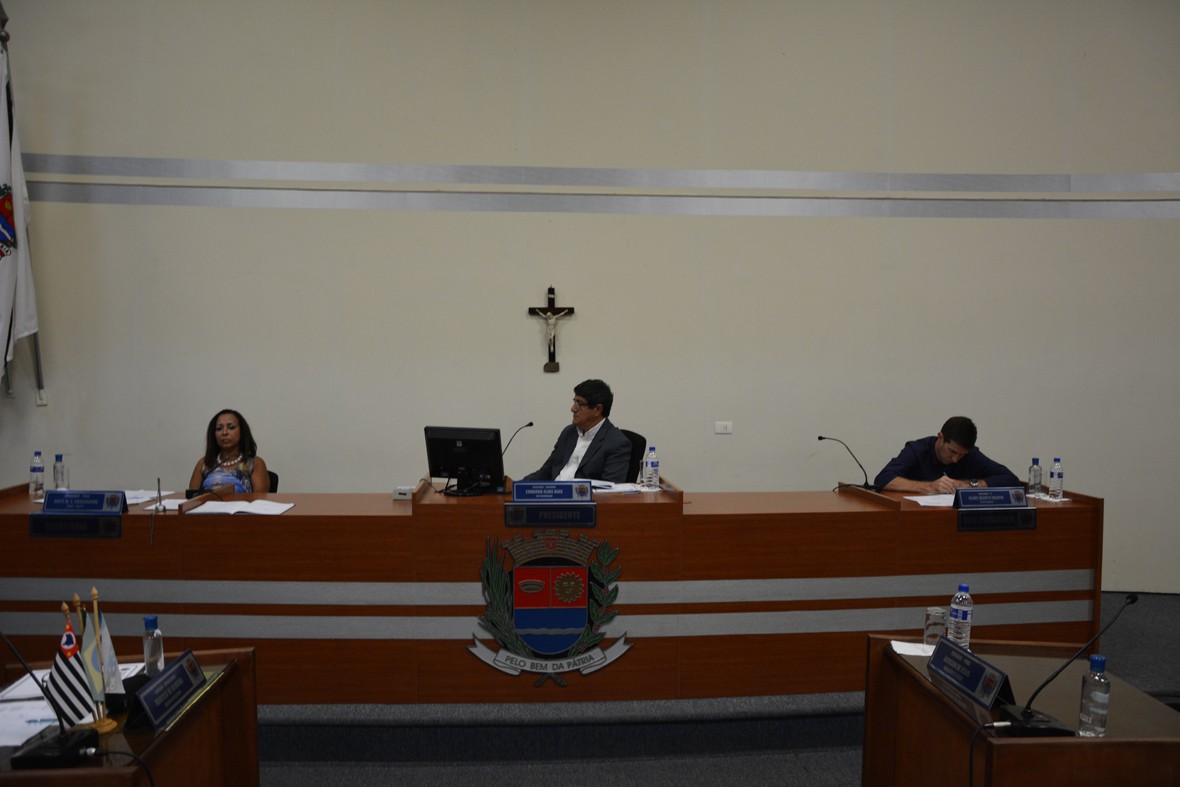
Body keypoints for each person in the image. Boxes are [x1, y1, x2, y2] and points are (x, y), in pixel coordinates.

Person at [522, 379, 633, 483]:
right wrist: (517, 486)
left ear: (597, 409)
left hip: (582, 497)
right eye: (574, 402)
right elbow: (546, 472)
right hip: (554, 493)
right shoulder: (568, 433)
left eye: (579, 404)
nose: (573, 409)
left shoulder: (617, 443)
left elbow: (609, 490)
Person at [873, 416, 1019, 493]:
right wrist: (929, 487)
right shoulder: (917, 450)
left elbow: (1010, 479)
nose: (955, 459)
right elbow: (883, 479)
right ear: (940, 437)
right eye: (952, 451)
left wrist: (971, 485)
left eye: (962, 454)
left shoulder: (971, 455)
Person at [188, 409, 270, 493]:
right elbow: (192, 497)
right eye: (219, 428)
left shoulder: (255, 463)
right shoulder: (203, 463)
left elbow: (260, 499)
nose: (224, 432)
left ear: (242, 431)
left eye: (231, 427)